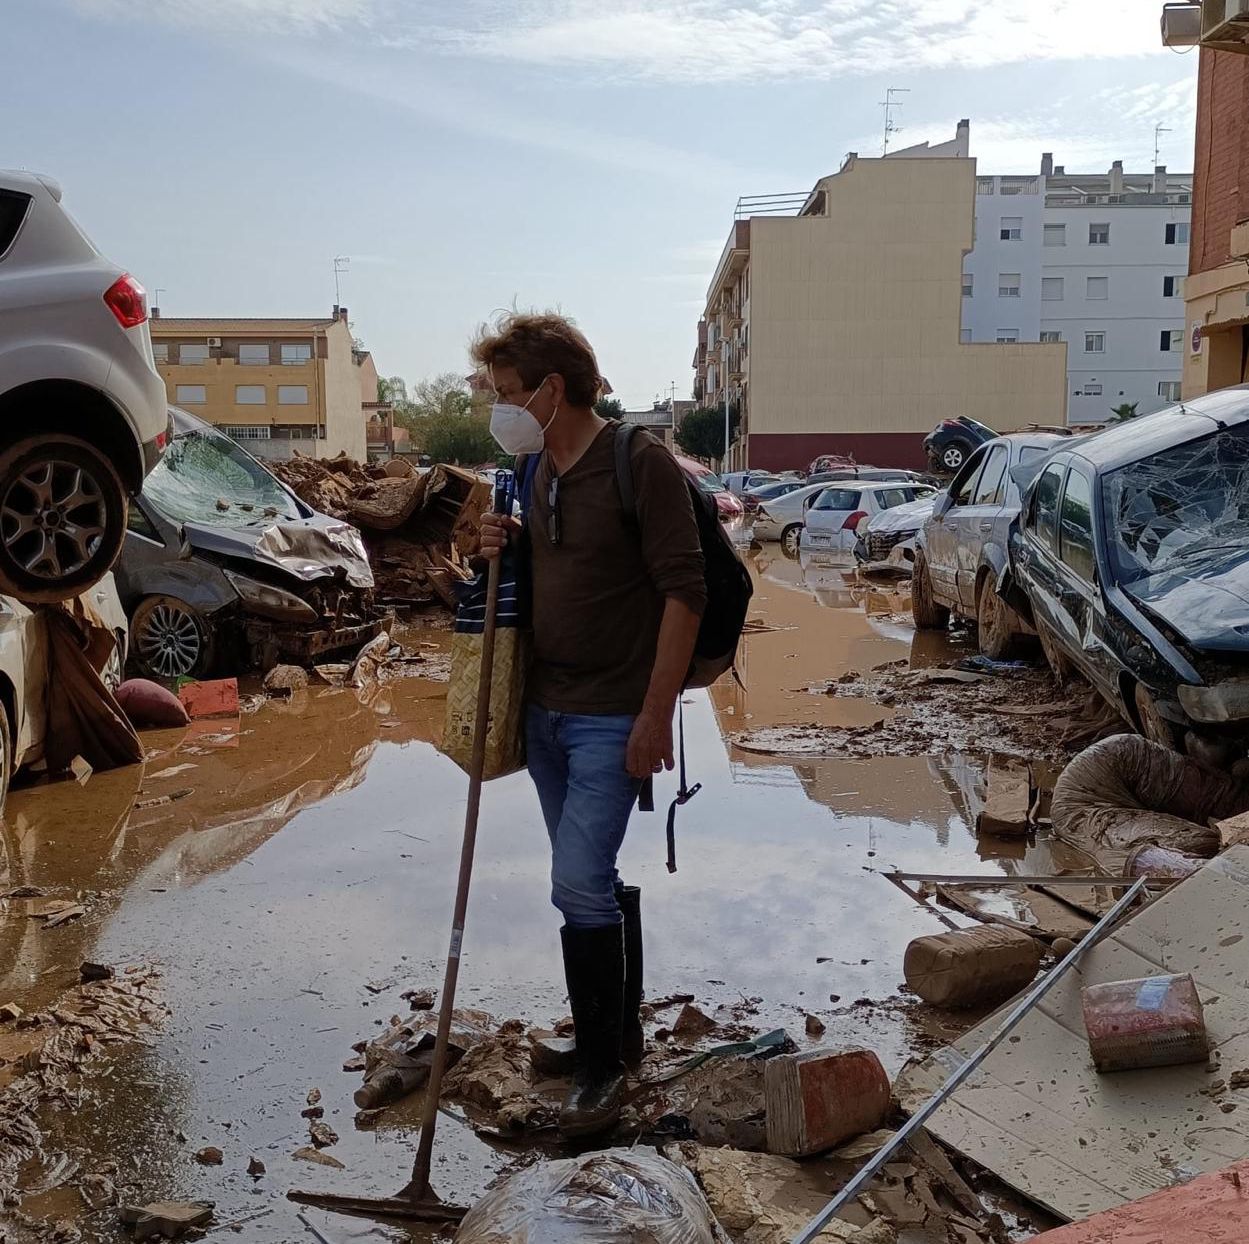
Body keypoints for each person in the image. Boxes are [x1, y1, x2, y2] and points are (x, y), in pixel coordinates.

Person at [474, 312, 706, 1138]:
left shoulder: (637, 462)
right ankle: (616, 1037)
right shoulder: (533, 465)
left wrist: (655, 717)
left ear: (552, 389)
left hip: (614, 715)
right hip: (545, 712)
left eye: (506, 393)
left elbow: (685, 591)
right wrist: (494, 539)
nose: (497, 408)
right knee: (590, 884)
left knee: (574, 884)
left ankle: (603, 1070)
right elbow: (538, 572)